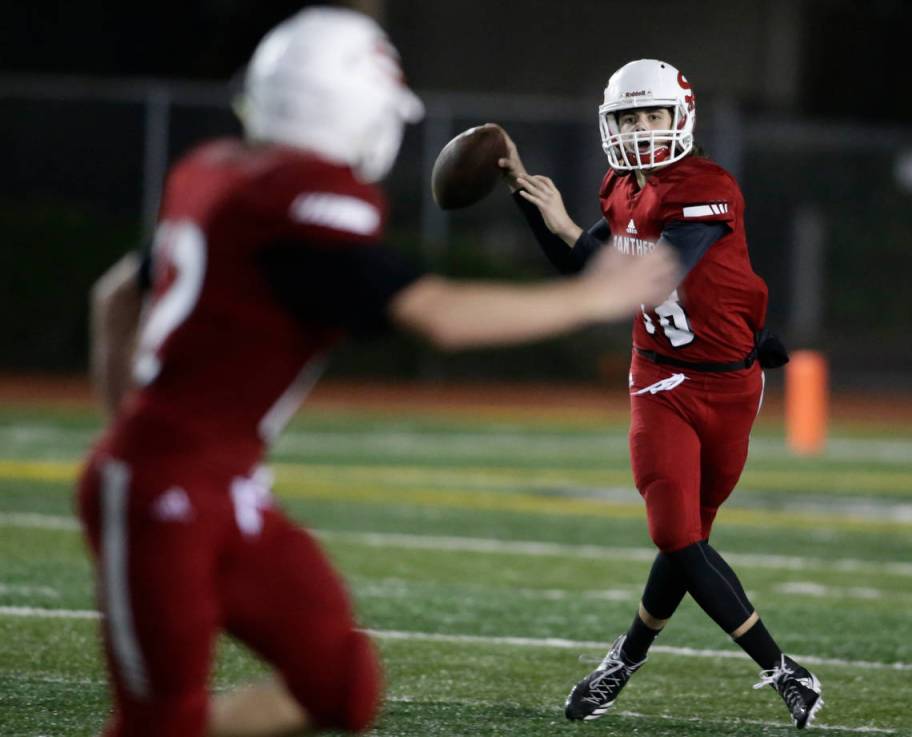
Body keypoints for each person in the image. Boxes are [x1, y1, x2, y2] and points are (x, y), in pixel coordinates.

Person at [78, 12, 681, 737]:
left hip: (224, 486)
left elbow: (114, 295)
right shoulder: (307, 199)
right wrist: (593, 295)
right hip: (164, 491)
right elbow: (437, 315)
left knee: (342, 685)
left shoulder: (214, 172)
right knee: (157, 720)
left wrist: (130, 427)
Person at [498, 59, 824, 728]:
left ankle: (623, 658)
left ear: (681, 119)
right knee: (674, 530)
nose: (641, 128)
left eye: (651, 114)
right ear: (609, 125)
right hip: (659, 379)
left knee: (689, 539)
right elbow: (583, 268)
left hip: (733, 383)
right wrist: (537, 208)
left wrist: (569, 231)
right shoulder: (618, 185)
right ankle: (782, 667)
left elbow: (654, 270)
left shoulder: (708, 185)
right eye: (628, 117)